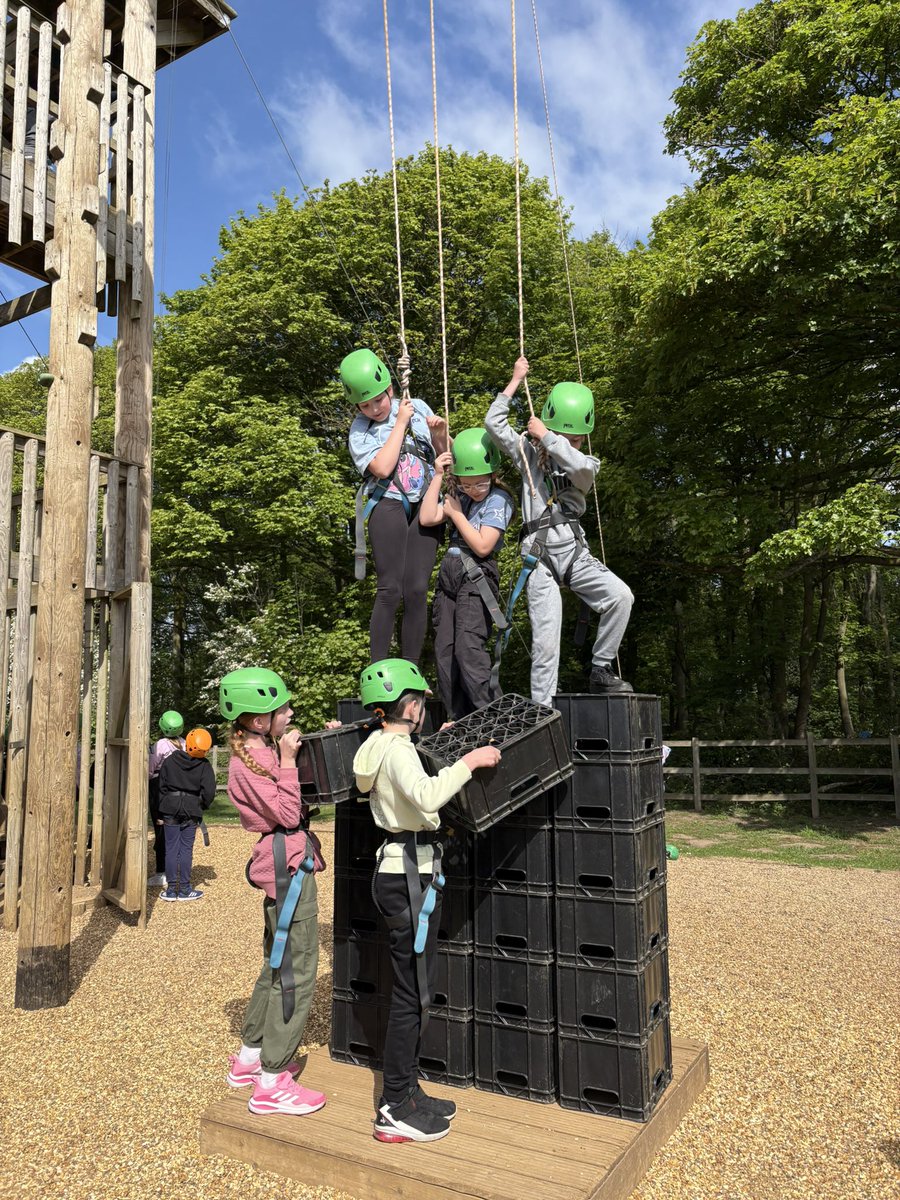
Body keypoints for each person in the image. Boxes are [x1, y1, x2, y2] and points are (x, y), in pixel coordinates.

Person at [353, 657, 502, 1144]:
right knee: (410, 997)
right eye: (422, 705)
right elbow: (426, 796)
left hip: (399, 874)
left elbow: (389, 775)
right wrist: (469, 761)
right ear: (412, 705)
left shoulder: (378, 744)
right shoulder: (398, 752)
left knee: (412, 990)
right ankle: (394, 1106)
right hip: (410, 879)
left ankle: (408, 1091)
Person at [485, 356, 634, 704]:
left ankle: (600, 668)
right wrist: (515, 379)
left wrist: (551, 438)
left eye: (578, 440)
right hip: (539, 559)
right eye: (570, 438)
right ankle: (544, 713)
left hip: (573, 553)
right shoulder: (527, 454)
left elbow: (581, 469)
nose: (574, 445)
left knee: (621, 597)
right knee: (545, 646)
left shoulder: (586, 464)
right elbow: (493, 422)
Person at [220, 666, 328, 1118]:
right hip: (288, 868)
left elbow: (301, 794)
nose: (290, 713)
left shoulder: (256, 750)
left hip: (285, 864)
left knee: (276, 960)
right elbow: (287, 812)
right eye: (282, 708)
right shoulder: (257, 760)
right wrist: (286, 760)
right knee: (297, 971)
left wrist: (322, 746)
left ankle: (249, 1058)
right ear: (259, 720)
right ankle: (273, 1080)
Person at [343, 347, 449, 663]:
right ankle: (379, 668)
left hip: (425, 506)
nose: (374, 408)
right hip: (387, 502)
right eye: (365, 404)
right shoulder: (360, 430)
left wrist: (440, 435)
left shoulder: (414, 405)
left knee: (417, 590)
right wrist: (400, 423)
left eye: (378, 399)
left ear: (390, 388)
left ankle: (411, 670)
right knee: (390, 588)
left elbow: (445, 457)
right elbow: (382, 469)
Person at [419, 427, 515, 718]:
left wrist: (457, 513)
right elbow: (427, 516)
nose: (473, 490)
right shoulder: (458, 494)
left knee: (468, 649)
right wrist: (438, 476)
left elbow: (484, 545)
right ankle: (457, 718)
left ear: (492, 475)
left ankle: (491, 717)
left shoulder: (498, 499)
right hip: (449, 577)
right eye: (466, 484)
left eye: (480, 485)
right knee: (445, 652)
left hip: (476, 576)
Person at [157, 727, 215, 902]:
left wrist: (162, 808)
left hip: (170, 808)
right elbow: (209, 792)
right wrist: (201, 805)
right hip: (191, 809)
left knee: (171, 849)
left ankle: (170, 890)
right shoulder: (204, 766)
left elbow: (161, 786)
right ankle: (184, 889)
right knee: (186, 849)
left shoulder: (170, 760)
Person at [148, 710, 186, 888]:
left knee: (160, 828)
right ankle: (177, 866)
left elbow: (150, 769)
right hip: (179, 790)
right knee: (176, 826)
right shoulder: (185, 743)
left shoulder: (160, 745)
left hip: (160, 790)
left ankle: (161, 871)